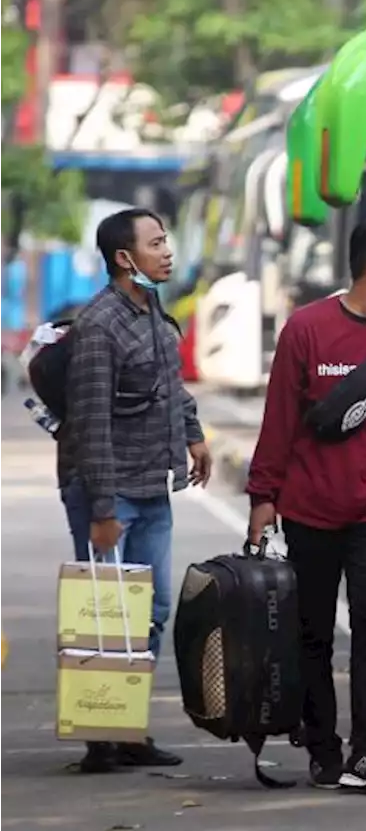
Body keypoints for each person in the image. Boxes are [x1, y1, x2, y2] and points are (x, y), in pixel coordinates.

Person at [245, 218, 366, 794]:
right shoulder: (305, 330)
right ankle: (323, 748)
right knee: (310, 634)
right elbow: (279, 419)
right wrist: (264, 496)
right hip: (309, 509)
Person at [60, 207, 213, 773]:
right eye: (156, 242)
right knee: (105, 617)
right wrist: (102, 509)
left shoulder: (152, 312)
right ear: (125, 258)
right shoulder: (99, 326)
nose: (168, 250)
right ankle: (102, 736)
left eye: (166, 238)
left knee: (151, 612)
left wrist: (193, 436)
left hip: (152, 488)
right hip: (111, 492)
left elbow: (170, 385)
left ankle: (127, 727)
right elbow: (90, 423)